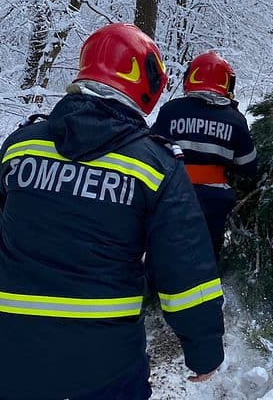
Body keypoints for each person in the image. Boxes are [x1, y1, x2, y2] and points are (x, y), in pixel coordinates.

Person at [0, 23, 224, 399]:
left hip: (10, 348)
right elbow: (184, 264)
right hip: (105, 358)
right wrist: (203, 348)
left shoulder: (19, 146)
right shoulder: (156, 164)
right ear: (146, 83)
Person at [152, 51, 257, 262]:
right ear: (227, 85)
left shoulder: (170, 110)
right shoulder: (235, 119)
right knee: (206, 256)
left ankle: (154, 290)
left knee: (163, 250)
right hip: (214, 201)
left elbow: (152, 149)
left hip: (170, 195)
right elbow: (248, 165)